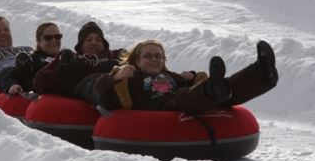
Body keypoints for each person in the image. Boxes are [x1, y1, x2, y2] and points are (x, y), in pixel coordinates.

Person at [72, 39, 278, 114]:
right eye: (148, 56)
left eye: (158, 56)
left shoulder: (170, 75)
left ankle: (261, 74)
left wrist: (193, 76)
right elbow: (97, 92)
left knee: (226, 91)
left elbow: (185, 83)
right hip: (159, 108)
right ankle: (212, 89)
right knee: (182, 98)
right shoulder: (129, 77)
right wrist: (113, 78)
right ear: (136, 60)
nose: (154, 60)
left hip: (181, 97)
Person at [33, 21, 125, 95]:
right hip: (93, 92)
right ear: (81, 46)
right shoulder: (73, 60)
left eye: (98, 40)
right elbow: (39, 81)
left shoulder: (114, 56)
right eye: (88, 40)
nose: (94, 42)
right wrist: (62, 73)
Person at [0, 22, 63, 94]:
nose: (54, 41)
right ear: (39, 42)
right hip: (43, 96)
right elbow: (11, 75)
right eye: (48, 38)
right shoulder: (33, 60)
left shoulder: (66, 58)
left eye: (57, 37)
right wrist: (12, 85)